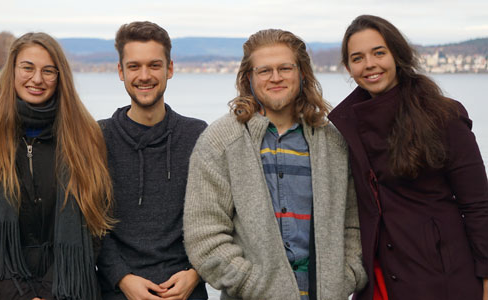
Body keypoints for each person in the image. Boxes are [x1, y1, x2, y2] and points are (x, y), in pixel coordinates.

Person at [184, 29, 366, 300]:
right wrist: (255, 285)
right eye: (264, 70)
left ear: (302, 74)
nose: (276, 77)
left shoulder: (333, 143)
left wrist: (345, 277)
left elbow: (355, 223)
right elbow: (204, 235)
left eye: (285, 68)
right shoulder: (221, 141)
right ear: (249, 78)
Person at [328, 15, 488, 300]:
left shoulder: (443, 116)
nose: (370, 65)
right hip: (379, 278)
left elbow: (478, 205)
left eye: (379, 53)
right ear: (348, 68)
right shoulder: (343, 126)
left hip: (443, 278)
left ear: (397, 54)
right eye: (358, 58)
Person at [0, 32, 114, 300]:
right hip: (3, 292)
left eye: (48, 70)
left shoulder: (86, 138)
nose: (37, 79)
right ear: (11, 72)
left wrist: (49, 292)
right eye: (27, 68)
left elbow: (95, 228)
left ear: (60, 78)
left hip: (72, 289)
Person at [97, 21, 208, 300]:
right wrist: (121, 278)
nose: (144, 75)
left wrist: (196, 272)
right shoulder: (97, 137)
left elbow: (217, 218)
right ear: (121, 72)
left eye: (154, 65)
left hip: (187, 290)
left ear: (170, 69)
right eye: (134, 66)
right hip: (117, 292)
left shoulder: (197, 135)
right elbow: (91, 221)